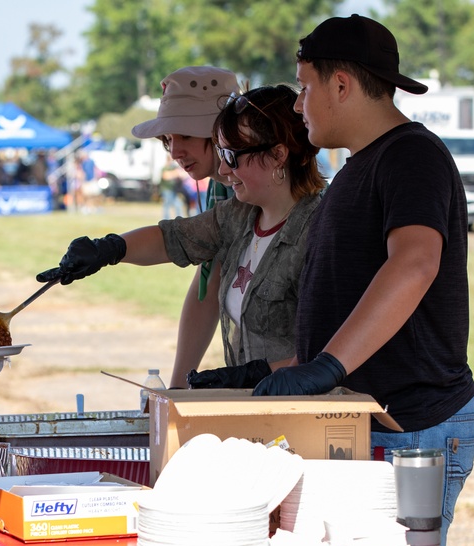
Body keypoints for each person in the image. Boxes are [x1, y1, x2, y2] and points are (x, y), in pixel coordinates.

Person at [191, 14, 474, 546]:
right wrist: (263, 370)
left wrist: (327, 367)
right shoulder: (359, 170)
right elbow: (344, 314)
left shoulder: (411, 157)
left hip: (415, 425)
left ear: (343, 84)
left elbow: (414, 264)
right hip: (384, 422)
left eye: (303, 87)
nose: (298, 105)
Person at [39, 83, 325, 385]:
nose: (225, 171)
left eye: (232, 156)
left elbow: (324, 353)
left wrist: (252, 376)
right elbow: (172, 239)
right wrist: (109, 249)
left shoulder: (318, 230)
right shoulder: (238, 216)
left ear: (278, 155)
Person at [131, 65, 242, 389]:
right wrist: (178, 388)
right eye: (168, 139)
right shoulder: (219, 188)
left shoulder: (255, 189)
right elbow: (208, 281)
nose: (175, 151)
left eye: (187, 136)